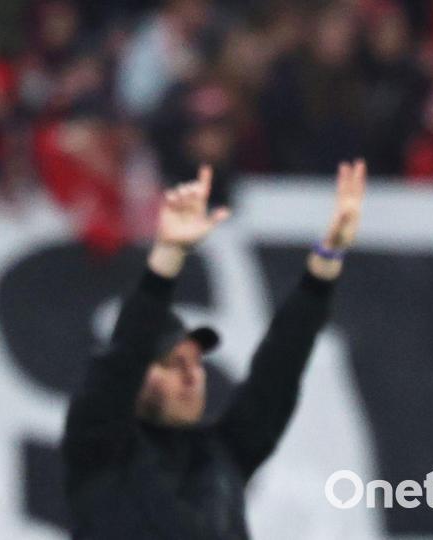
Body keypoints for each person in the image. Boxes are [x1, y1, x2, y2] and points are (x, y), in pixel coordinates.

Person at [62, 160, 367, 538]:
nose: (193, 375)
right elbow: (123, 355)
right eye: (173, 363)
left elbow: (280, 366)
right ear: (136, 378)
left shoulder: (225, 452)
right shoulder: (100, 450)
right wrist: (168, 257)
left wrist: (326, 260)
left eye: (196, 362)